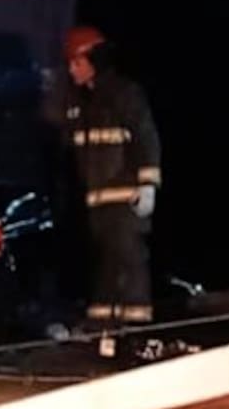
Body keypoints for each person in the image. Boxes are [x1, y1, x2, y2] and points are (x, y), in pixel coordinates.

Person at [63, 25, 162, 333]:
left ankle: (135, 329)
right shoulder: (82, 103)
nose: (71, 70)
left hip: (126, 197)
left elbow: (146, 138)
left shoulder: (124, 94)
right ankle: (103, 326)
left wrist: (147, 184)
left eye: (77, 62)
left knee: (129, 261)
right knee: (106, 265)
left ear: (95, 60)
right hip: (98, 199)